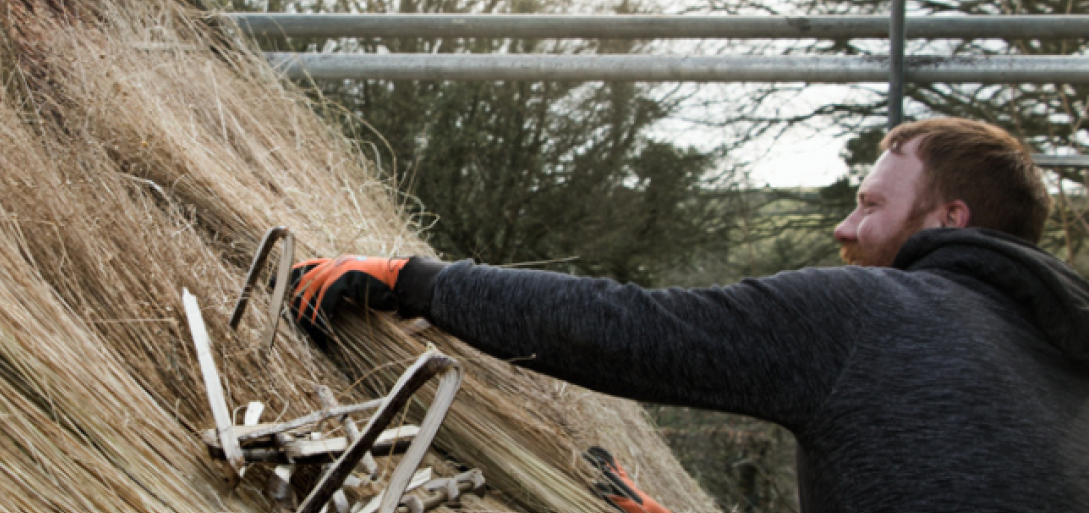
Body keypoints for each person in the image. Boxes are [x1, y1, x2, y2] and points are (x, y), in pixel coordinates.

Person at [289, 118, 1089, 512]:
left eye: (870, 205)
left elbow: (637, 330)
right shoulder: (1065, 364)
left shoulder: (878, 314)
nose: (845, 230)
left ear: (949, 221)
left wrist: (417, 280)